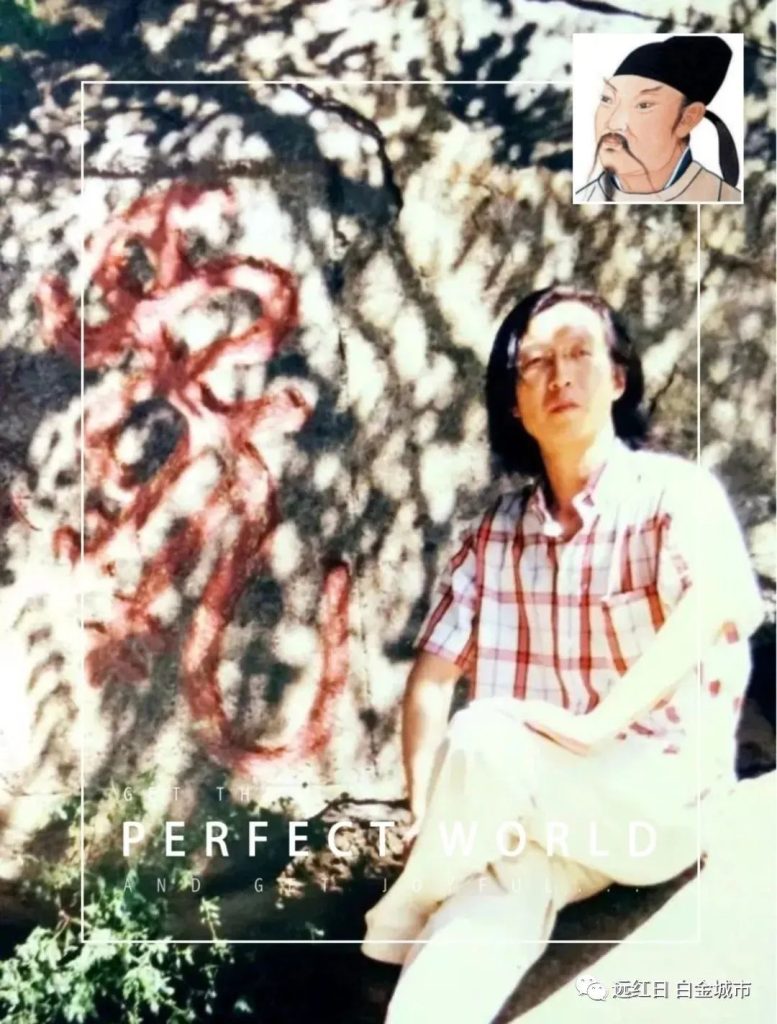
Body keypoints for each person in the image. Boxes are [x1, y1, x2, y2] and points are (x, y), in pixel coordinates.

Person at [360, 286, 763, 1022]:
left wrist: (596, 724)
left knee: (482, 732)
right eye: (535, 362)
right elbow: (429, 683)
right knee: (429, 1002)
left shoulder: (672, 493)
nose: (558, 376)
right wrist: (425, 810)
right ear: (513, 403)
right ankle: (432, 892)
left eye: (579, 353)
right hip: (543, 826)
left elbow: (722, 601)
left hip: (658, 803)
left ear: (617, 379)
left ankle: (403, 905)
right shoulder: (496, 534)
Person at [576, 35, 742, 203]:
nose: (612, 124)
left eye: (643, 105)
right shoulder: (582, 200)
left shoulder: (723, 199)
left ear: (687, 119)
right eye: (607, 100)